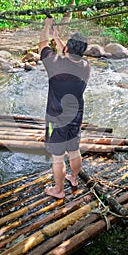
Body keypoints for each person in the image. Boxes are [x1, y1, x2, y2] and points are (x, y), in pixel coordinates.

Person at [39, 17, 91, 199]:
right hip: (76, 115)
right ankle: (74, 178)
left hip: (57, 118)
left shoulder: (55, 65)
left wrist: (46, 27)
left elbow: (42, 45)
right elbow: (69, 55)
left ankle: (58, 190)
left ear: (68, 48)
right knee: (74, 150)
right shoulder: (86, 66)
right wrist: (57, 38)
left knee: (58, 157)